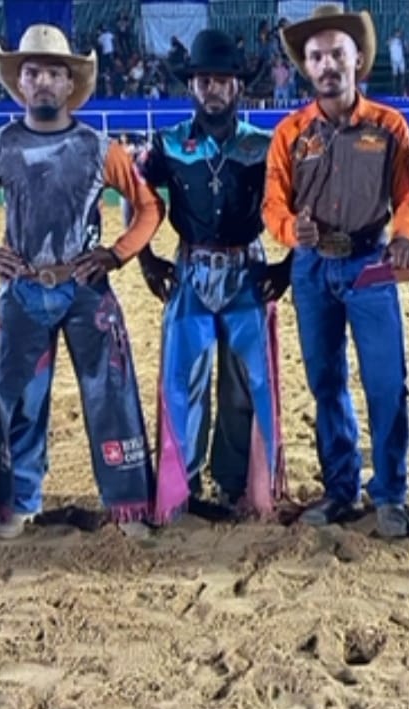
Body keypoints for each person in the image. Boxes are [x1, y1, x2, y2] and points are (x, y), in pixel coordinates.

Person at [0, 24, 163, 539]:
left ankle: (128, 503)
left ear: (70, 84)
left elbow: (148, 207)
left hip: (84, 287)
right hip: (21, 288)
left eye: (52, 72)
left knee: (110, 394)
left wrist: (116, 253)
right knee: (17, 395)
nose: (42, 81)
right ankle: (17, 503)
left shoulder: (100, 147)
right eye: (32, 72)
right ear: (19, 83)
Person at [263, 4, 409, 539]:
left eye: (337, 53)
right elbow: (272, 205)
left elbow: (407, 196)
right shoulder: (289, 133)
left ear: (358, 59)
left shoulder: (389, 125)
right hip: (311, 269)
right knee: (325, 381)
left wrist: (403, 237)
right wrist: (291, 231)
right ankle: (340, 488)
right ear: (306, 68)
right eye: (316, 56)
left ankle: (391, 493)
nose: (327, 63)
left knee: (386, 382)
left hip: (370, 262)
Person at [133, 29, 289, 523]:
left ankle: (238, 481)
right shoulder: (169, 144)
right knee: (184, 380)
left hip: (248, 268)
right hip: (190, 268)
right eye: (204, 80)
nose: (212, 89)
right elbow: (137, 194)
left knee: (247, 381)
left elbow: (298, 204)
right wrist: (143, 257)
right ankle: (184, 485)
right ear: (192, 86)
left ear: (238, 86)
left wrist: (288, 265)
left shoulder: (265, 146)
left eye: (222, 80)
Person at [388, 28, 406, 94]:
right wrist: (392, 40)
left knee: (402, 75)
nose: (399, 34)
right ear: (395, 33)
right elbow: (388, 43)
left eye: (400, 33)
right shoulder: (392, 40)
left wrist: (403, 43)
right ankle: (394, 90)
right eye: (398, 33)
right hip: (394, 59)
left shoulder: (402, 40)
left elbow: (406, 49)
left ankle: (402, 90)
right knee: (394, 76)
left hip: (401, 59)